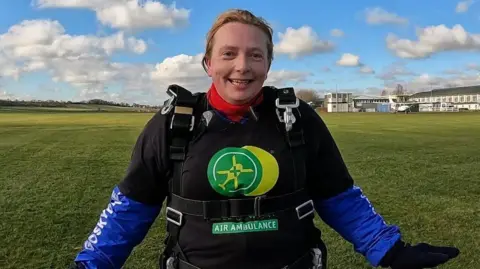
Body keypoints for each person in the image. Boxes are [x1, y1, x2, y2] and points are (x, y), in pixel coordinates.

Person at [71, 9, 460, 269]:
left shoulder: (297, 118)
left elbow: (338, 196)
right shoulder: (174, 123)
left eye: (255, 56)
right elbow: (130, 207)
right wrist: (91, 264)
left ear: (268, 64)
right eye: (229, 54)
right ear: (209, 63)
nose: (242, 66)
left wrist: (388, 251)